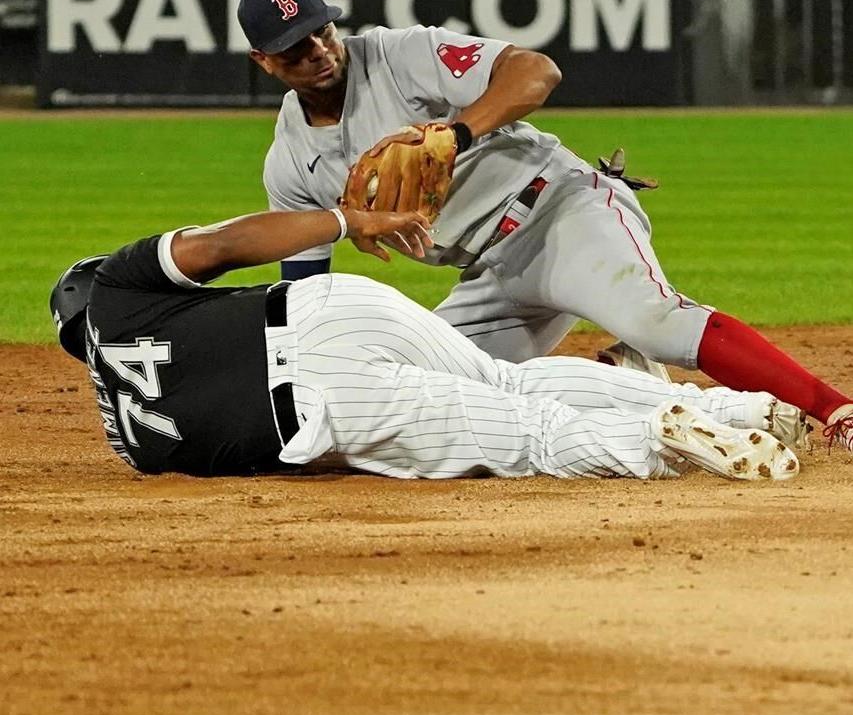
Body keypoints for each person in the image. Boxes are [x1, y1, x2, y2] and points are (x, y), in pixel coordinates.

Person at [235, 0, 853, 450]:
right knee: (436, 391)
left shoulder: (401, 55)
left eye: (322, 29)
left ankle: (835, 410)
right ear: (264, 62)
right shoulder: (291, 165)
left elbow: (535, 72)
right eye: (294, 47)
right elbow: (305, 298)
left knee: (654, 322)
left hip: (562, 209)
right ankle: (630, 385)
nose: (318, 49)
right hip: (491, 276)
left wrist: (457, 134)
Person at [50, 204, 804, 481]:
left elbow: (271, 460)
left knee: (528, 438)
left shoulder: (138, 452)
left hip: (322, 404)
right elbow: (224, 244)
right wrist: (348, 220)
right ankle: (736, 408)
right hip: (332, 307)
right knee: (511, 382)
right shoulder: (119, 288)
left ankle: (656, 437)